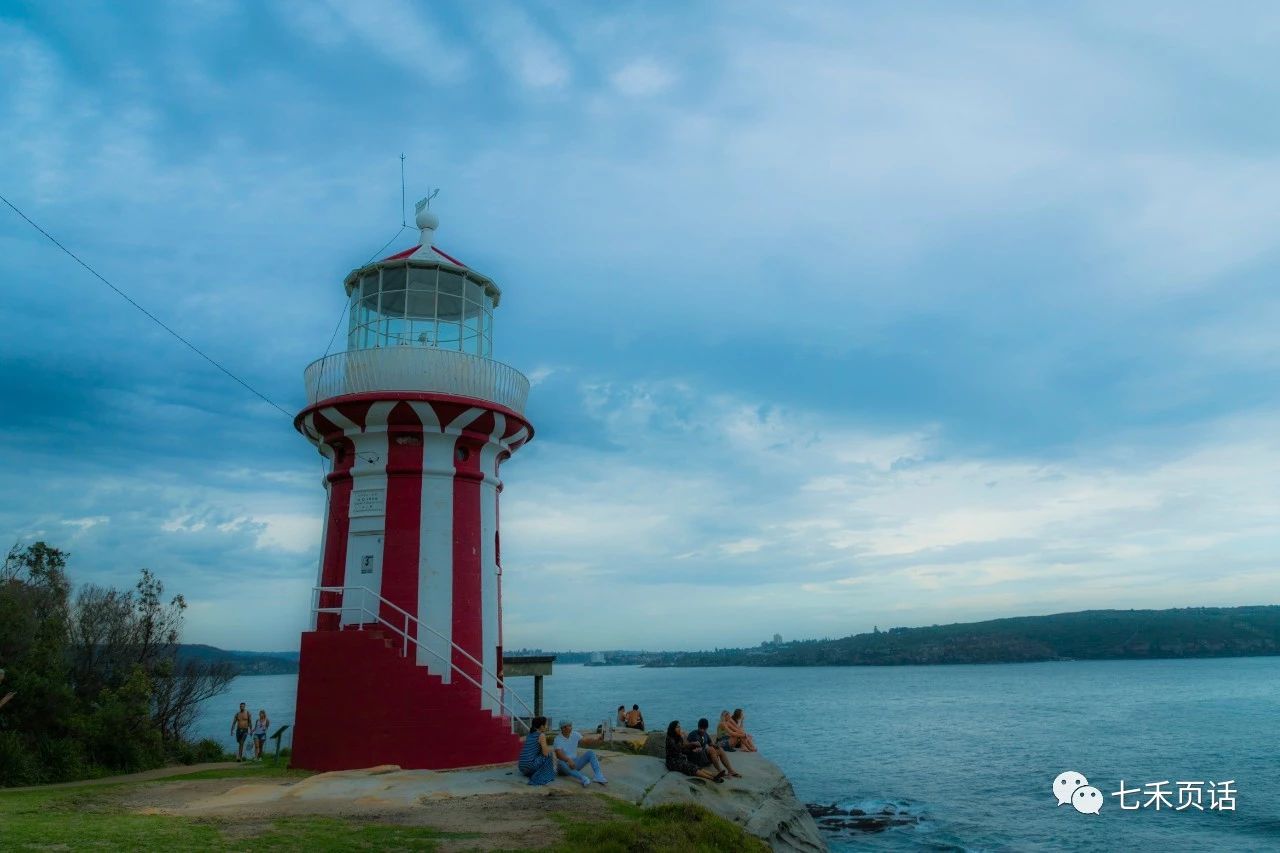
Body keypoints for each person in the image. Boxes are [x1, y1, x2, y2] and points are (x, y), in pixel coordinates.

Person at [552, 720, 608, 786]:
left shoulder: (575, 734)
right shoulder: (558, 739)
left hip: (575, 764)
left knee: (590, 753)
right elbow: (559, 754)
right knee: (560, 762)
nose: (570, 728)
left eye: (570, 726)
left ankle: (598, 776)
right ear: (562, 728)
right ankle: (583, 778)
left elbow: (585, 741)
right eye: (568, 726)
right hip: (564, 767)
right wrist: (568, 760)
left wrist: (597, 739)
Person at [517, 716, 557, 786]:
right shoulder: (541, 735)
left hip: (522, 767)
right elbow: (545, 753)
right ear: (541, 726)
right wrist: (550, 750)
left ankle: (536, 772)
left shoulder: (529, 734)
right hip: (529, 767)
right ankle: (549, 773)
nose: (546, 726)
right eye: (546, 724)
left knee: (543, 754)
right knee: (549, 754)